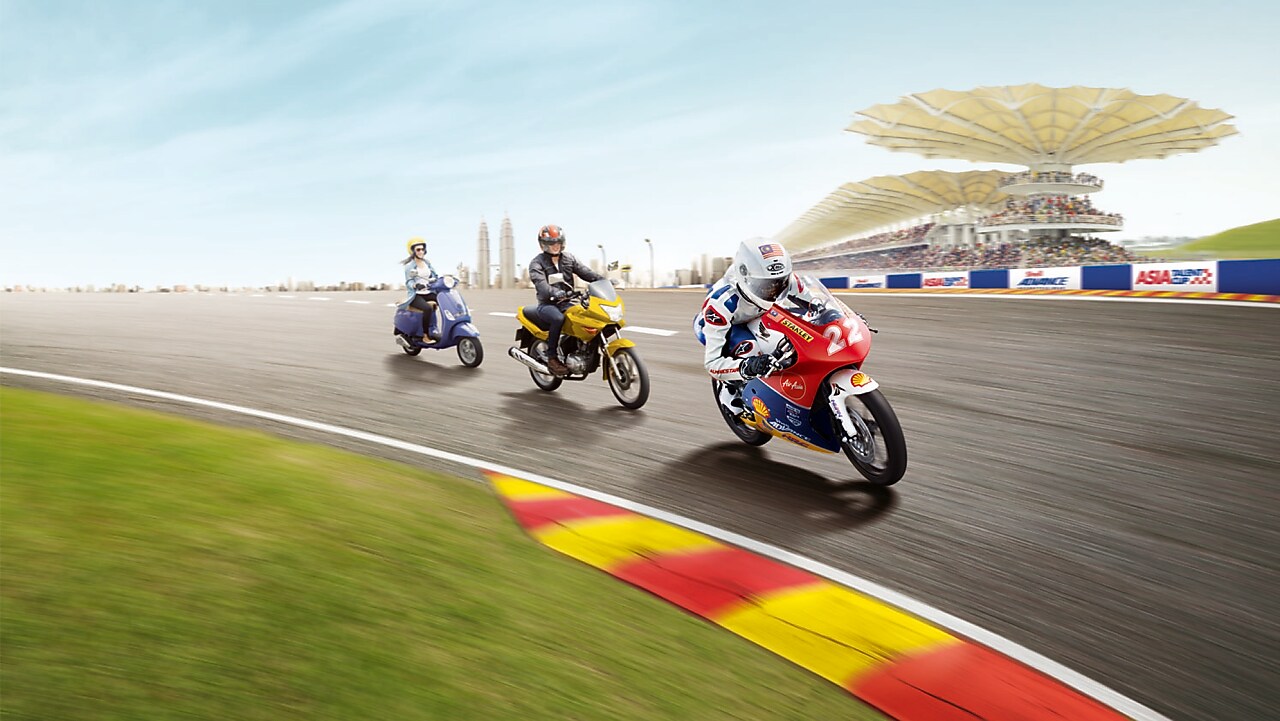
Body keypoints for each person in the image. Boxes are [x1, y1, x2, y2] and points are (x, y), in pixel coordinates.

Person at [694, 239, 821, 413]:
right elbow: (712, 364)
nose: (774, 291)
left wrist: (838, 317)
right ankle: (729, 394)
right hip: (725, 325)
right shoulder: (721, 303)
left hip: (757, 314)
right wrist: (748, 366)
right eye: (766, 286)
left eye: (779, 283)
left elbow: (816, 303)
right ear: (745, 277)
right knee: (752, 350)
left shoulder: (781, 278)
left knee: (791, 336)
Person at [527, 224, 603, 376]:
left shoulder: (569, 258)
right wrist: (555, 292)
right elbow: (541, 285)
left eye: (557, 242)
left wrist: (603, 280)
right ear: (543, 244)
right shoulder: (536, 263)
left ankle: (586, 351)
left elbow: (585, 272)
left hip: (568, 302)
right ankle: (552, 358)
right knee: (557, 318)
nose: (555, 246)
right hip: (548, 304)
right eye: (550, 243)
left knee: (590, 316)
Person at [400, 237, 441, 341]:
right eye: (418, 249)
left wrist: (439, 280)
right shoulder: (409, 266)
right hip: (416, 295)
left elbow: (435, 275)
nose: (421, 251)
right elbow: (409, 281)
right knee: (427, 308)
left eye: (422, 249)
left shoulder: (427, 263)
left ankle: (435, 329)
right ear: (413, 251)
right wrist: (415, 285)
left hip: (428, 291)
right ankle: (425, 335)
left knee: (445, 301)